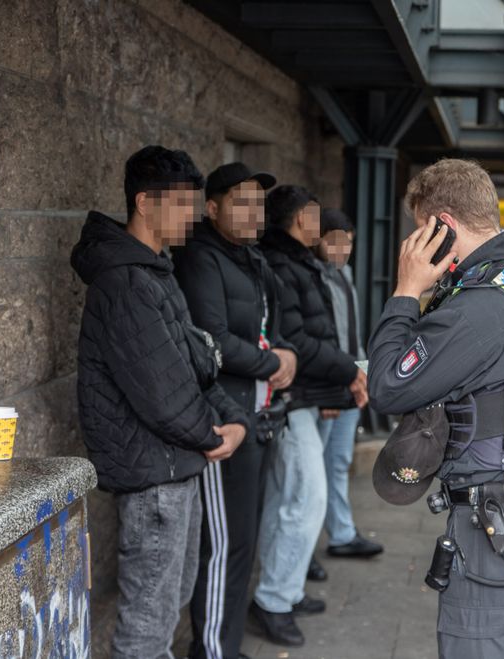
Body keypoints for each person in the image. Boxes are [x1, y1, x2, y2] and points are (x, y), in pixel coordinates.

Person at [367, 159, 504, 659]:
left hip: (500, 530)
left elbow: (388, 386)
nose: (416, 243)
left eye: (421, 231)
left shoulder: (483, 305)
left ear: (443, 225)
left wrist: (406, 291)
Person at [70, 146, 249, 658]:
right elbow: (164, 397)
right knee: (148, 623)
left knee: (165, 610)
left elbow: (198, 364)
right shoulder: (124, 282)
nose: (193, 215)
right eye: (182, 204)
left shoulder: (154, 269)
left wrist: (232, 422)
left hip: (176, 467)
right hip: (154, 477)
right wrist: (215, 435)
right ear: (146, 203)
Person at [173, 162, 298, 659]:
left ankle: (223, 643)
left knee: (242, 541)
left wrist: (286, 354)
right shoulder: (200, 257)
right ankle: (211, 650)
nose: (254, 212)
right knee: (224, 544)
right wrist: (274, 363)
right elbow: (213, 340)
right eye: (241, 202)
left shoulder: (252, 259)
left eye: (259, 203)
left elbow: (276, 322)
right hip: (224, 419)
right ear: (212, 207)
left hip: (258, 417)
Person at [250, 185, 368, 647]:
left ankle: (285, 589)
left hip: (302, 395)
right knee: (305, 499)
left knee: (288, 499)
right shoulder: (286, 264)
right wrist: (348, 373)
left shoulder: (296, 262)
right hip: (291, 399)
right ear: (301, 220)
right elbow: (300, 339)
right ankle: (275, 598)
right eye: (317, 218)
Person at [314, 208, 384, 559]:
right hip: (330, 384)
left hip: (351, 380)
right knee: (314, 472)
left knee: (338, 462)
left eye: (349, 243)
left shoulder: (345, 275)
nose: (343, 249)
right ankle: (314, 544)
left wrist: (362, 375)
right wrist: (332, 387)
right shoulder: (317, 278)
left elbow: (349, 334)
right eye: (335, 241)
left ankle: (341, 532)